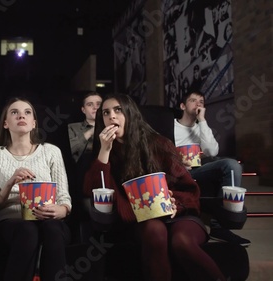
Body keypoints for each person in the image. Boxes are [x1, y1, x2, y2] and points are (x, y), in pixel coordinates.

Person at [83, 93, 227, 281]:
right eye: (106, 113)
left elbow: (189, 188)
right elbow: (93, 189)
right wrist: (104, 151)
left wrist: (177, 202)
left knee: (182, 242)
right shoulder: (105, 152)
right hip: (140, 218)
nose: (111, 116)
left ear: (130, 114)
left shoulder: (159, 143)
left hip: (179, 214)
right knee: (155, 231)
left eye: (118, 110)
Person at [0, 97, 72, 281]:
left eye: (27, 112)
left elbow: (64, 199)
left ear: (34, 123)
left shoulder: (51, 151)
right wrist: (10, 182)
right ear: (6, 123)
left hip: (49, 218)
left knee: (52, 229)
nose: (21, 115)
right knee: (28, 230)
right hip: (11, 221)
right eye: (14, 112)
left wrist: (60, 210)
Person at [175, 90, 251, 246]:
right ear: (183, 106)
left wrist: (202, 120)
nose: (198, 104)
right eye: (193, 100)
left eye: (201, 102)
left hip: (197, 170)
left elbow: (212, 151)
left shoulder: (201, 127)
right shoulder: (171, 126)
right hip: (175, 170)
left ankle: (221, 226)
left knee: (231, 165)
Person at [68, 92, 102, 163]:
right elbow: (69, 150)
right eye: (90, 104)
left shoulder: (111, 127)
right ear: (83, 110)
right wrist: (90, 132)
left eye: (98, 104)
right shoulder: (72, 127)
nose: (95, 107)